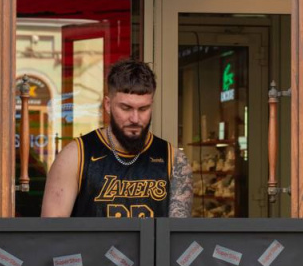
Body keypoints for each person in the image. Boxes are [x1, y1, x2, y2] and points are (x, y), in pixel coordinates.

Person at [41, 58, 193, 218]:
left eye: (143, 108)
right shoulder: (75, 157)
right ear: (107, 104)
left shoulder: (174, 161)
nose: (135, 118)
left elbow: (177, 236)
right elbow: (52, 236)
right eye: (126, 108)